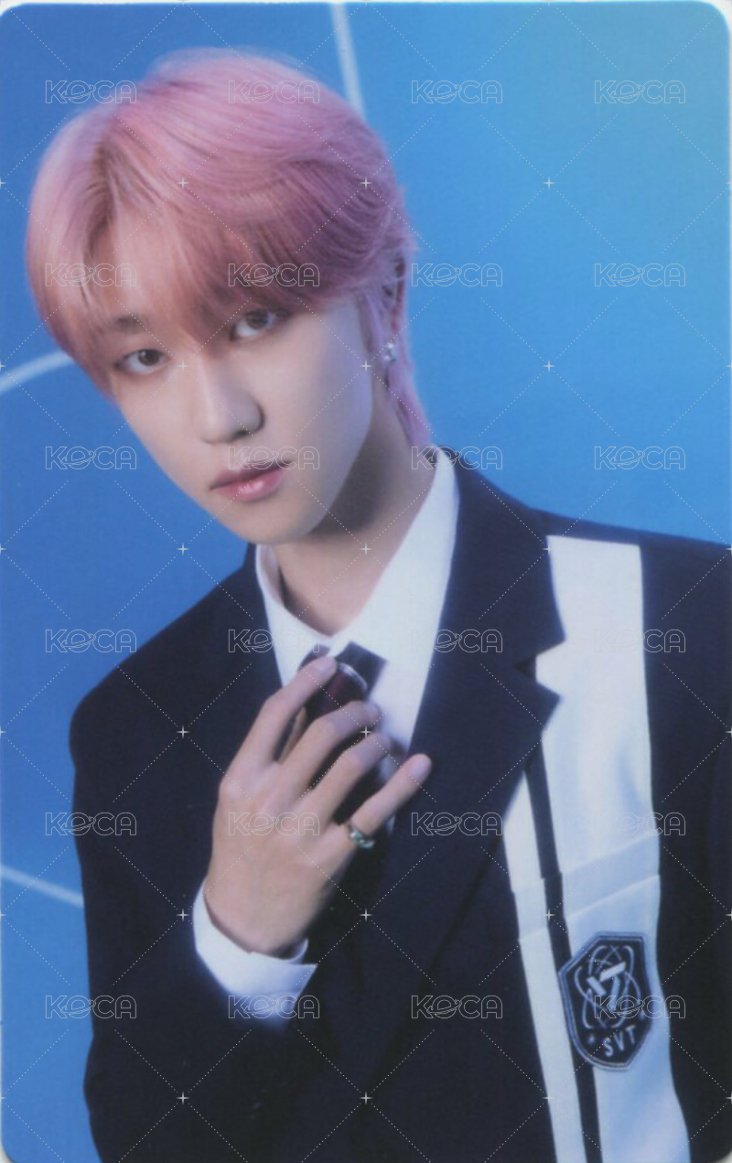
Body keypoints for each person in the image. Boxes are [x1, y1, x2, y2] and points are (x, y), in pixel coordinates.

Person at [25, 46, 731, 1163]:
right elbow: (148, 1139)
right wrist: (238, 936)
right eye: (146, 357)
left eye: (255, 319)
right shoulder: (132, 732)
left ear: (385, 294)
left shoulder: (682, 622)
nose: (219, 416)